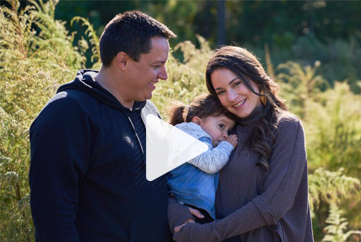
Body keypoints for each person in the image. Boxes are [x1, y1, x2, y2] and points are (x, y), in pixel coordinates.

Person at [29, 11, 176, 242]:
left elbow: (160, 189)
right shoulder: (67, 115)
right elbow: (53, 214)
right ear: (123, 61)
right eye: (157, 65)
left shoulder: (149, 111)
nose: (164, 75)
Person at [168, 46, 314, 242]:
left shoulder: (286, 127)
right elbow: (176, 179)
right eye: (221, 91)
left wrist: (209, 233)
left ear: (255, 76)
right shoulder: (222, 132)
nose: (231, 97)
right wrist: (178, 212)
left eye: (236, 84)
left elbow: (273, 206)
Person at [168, 94, 238, 223]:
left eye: (229, 130)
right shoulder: (189, 133)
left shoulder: (200, 138)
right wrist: (227, 146)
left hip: (194, 204)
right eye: (221, 126)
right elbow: (210, 163)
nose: (225, 135)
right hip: (187, 204)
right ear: (197, 122)